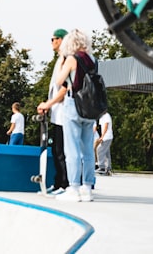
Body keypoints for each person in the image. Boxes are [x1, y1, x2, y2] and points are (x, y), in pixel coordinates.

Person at [38, 28, 97, 202]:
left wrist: (65, 65)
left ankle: (73, 188)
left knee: (71, 149)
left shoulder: (72, 58)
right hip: (90, 107)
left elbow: (59, 81)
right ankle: (87, 187)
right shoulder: (93, 59)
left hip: (73, 105)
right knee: (87, 150)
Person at [38, 28, 69, 194]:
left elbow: (63, 89)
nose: (52, 42)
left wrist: (48, 104)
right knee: (56, 149)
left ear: (62, 40)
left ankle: (65, 184)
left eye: (54, 39)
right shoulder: (59, 60)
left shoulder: (66, 59)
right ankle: (58, 183)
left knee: (62, 150)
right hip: (57, 113)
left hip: (64, 112)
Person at [94, 111, 112, 176]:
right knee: (107, 153)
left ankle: (102, 167)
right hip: (107, 137)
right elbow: (102, 128)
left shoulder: (106, 115)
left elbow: (106, 126)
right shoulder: (102, 117)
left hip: (107, 136)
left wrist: (102, 136)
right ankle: (108, 169)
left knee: (99, 150)